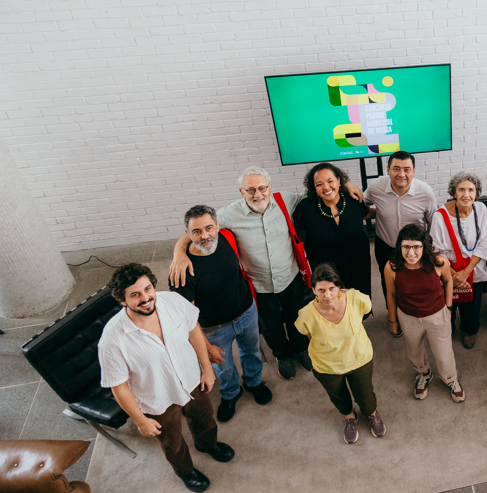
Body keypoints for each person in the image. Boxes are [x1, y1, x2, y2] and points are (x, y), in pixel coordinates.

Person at [170, 167, 326, 380]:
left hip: (290, 277)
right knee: (270, 326)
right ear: (241, 192)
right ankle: (282, 355)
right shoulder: (228, 214)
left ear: (270, 187)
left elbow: (319, 191)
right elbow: (199, 228)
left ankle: (301, 348)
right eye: (250, 190)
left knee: (297, 317)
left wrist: (347, 185)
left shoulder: (285, 201)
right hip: (259, 285)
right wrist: (179, 251)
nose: (258, 194)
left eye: (262, 188)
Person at [99, 264, 235, 492]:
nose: (145, 298)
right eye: (135, 295)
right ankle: (186, 471)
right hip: (157, 398)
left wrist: (207, 369)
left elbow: (193, 331)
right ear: (122, 301)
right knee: (172, 442)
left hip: (192, 380)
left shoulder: (172, 301)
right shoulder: (112, 341)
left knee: (204, 418)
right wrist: (141, 420)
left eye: (148, 289)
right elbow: (119, 387)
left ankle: (207, 445)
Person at [170, 205, 272, 424]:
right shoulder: (182, 270)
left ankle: (254, 382)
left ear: (217, 226)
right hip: (214, 329)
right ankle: (230, 393)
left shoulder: (226, 237)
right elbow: (187, 318)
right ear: (187, 234)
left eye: (209, 228)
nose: (205, 235)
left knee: (251, 351)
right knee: (223, 367)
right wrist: (205, 346)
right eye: (196, 231)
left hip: (246, 312)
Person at [295, 263, 386, 444]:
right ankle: (350, 418)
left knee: (366, 395)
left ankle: (372, 414)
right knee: (338, 396)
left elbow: (366, 309)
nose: (327, 295)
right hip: (327, 366)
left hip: (359, 359)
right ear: (313, 290)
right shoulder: (306, 314)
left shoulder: (356, 299)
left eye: (331, 288)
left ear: (339, 287)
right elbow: (306, 332)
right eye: (321, 290)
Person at [385, 224, 466, 402]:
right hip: (407, 317)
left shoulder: (439, 262)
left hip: (437, 314)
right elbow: (391, 294)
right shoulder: (392, 267)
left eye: (416, 247)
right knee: (414, 351)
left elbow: (448, 281)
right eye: (406, 247)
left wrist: (449, 307)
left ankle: (450, 379)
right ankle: (424, 373)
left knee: (444, 353)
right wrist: (392, 321)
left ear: (424, 246)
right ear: (400, 246)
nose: (411, 253)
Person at [364, 150, 439, 332]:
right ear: (388, 169)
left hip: (415, 249)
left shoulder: (425, 192)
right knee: (388, 283)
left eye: (407, 169)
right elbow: (360, 204)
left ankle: (414, 316)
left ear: (414, 171)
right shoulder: (376, 187)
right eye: (396, 169)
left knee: (415, 283)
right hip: (385, 245)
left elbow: (434, 222)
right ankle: (394, 319)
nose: (401, 174)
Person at [429, 171, 487, 349]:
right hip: (448, 270)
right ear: (454, 192)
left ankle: (468, 330)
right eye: (461, 189)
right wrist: (455, 276)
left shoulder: (481, 209)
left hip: (474, 270)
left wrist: (466, 273)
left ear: (477, 192)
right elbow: (437, 250)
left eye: (471, 190)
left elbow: (484, 242)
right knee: (448, 305)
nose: (466, 194)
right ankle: (448, 330)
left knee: (472, 307)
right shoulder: (440, 215)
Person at [293, 162, 375, 298]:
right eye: (319, 184)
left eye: (330, 181)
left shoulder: (353, 199)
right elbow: (297, 236)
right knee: (332, 305)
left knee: (359, 300)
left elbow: (366, 213)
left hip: (358, 264)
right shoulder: (305, 208)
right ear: (314, 187)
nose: (326, 187)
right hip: (325, 270)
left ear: (338, 180)